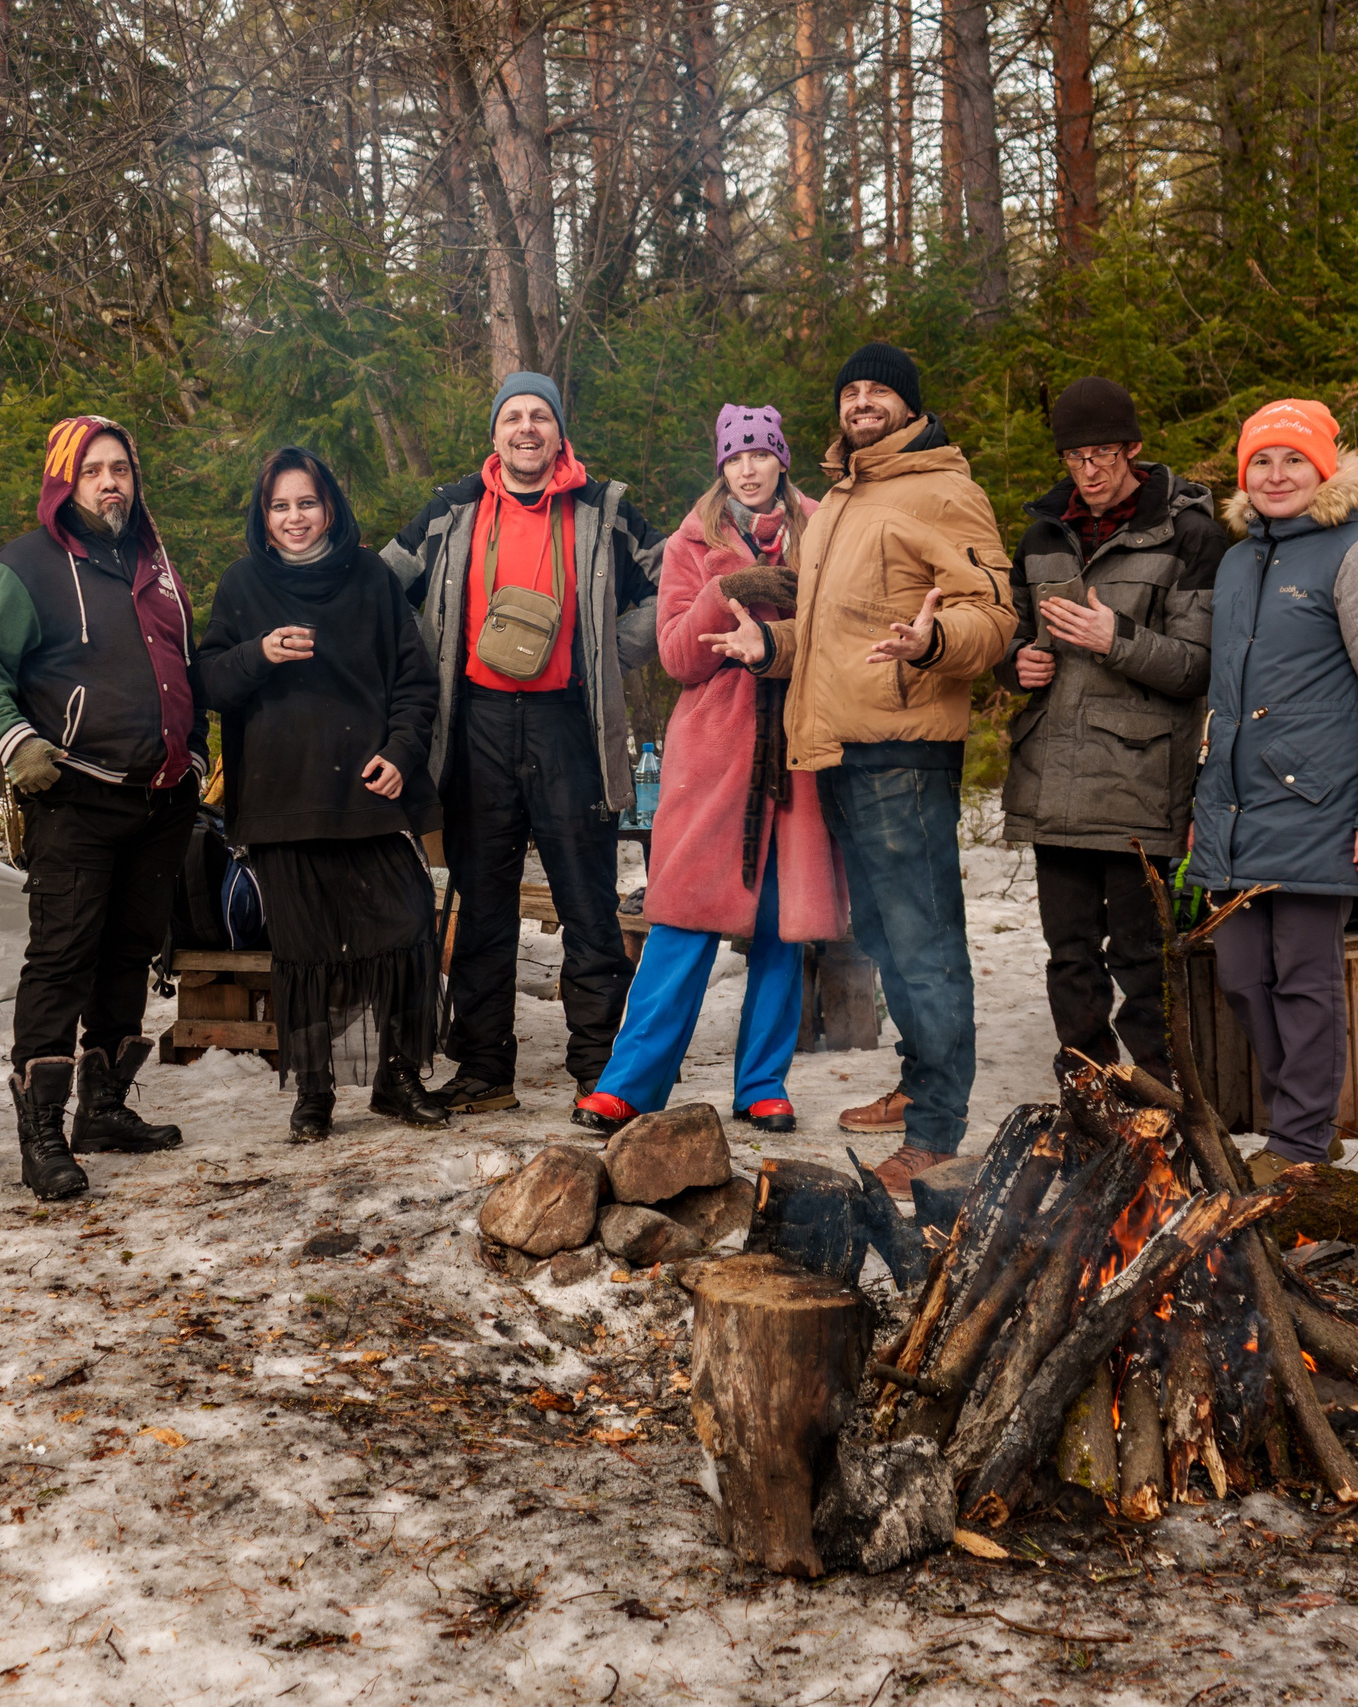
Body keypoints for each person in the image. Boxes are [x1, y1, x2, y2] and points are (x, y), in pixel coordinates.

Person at [705, 343, 1014, 1196]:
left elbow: (993, 615)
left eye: (880, 390)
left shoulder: (946, 491)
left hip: (904, 751)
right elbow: (826, 632)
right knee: (882, 936)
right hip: (840, 748)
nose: (863, 401)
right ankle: (921, 1079)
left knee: (924, 942)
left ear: (909, 407)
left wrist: (933, 640)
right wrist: (767, 644)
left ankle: (938, 1126)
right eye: (852, 390)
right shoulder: (842, 499)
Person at [381, 372, 664, 1113]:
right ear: (495, 432)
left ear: (559, 429)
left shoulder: (604, 510)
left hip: (570, 722)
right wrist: (425, 649)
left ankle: (601, 1067)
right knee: (483, 903)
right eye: (514, 416)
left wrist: (614, 643)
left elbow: (677, 581)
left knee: (587, 899)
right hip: (475, 723)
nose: (527, 428)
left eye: (541, 415)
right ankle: (482, 1070)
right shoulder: (451, 509)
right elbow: (380, 587)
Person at [573, 406, 845, 1135]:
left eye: (761, 454)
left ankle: (763, 1082)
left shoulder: (823, 528)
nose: (748, 468)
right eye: (735, 457)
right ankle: (629, 1083)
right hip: (715, 751)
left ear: (782, 459)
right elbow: (675, 655)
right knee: (681, 919)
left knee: (783, 927)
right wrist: (727, 589)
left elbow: (841, 629)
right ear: (721, 466)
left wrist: (776, 633)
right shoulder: (693, 540)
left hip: (795, 748)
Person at [0, 416, 200, 1201]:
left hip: (159, 801)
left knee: (130, 951)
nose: (110, 482)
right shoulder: (24, 567)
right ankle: (42, 1132)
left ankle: (104, 1107)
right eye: (94, 469)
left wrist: (193, 752)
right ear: (65, 479)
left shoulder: (154, 567)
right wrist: (16, 743)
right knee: (62, 957)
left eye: (121, 469)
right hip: (74, 793)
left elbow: (183, 668)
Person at [1191, 399, 1358, 1185]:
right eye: (1261, 461)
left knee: (1304, 975)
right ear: (1242, 475)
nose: (1276, 475)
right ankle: (1296, 1121)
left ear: (1324, 467)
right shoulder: (1235, 562)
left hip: (1322, 807)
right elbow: (1223, 700)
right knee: (1239, 973)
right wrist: (1207, 810)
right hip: (1237, 811)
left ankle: (1299, 1145)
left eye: (1293, 459)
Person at [195, 448, 450, 1140]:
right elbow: (210, 681)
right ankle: (314, 1091)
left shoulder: (369, 579)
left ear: (329, 506)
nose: (294, 517)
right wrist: (260, 653)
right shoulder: (242, 584)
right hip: (283, 796)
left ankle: (397, 1076)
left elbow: (414, 683)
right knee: (306, 952)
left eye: (306, 502)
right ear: (263, 515)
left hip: (366, 789)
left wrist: (400, 754)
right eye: (280, 506)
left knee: (405, 925)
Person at [997, 378, 1226, 1086]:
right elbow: (1012, 635)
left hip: (1139, 782)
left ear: (1133, 450)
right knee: (1068, 953)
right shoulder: (1042, 535)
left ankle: (1162, 1102)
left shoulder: (1190, 532)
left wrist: (1114, 637)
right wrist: (1017, 664)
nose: (1088, 471)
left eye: (1102, 454)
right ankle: (1089, 1096)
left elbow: (1197, 667)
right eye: (1074, 457)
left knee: (1139, 955)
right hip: (1052, 782)